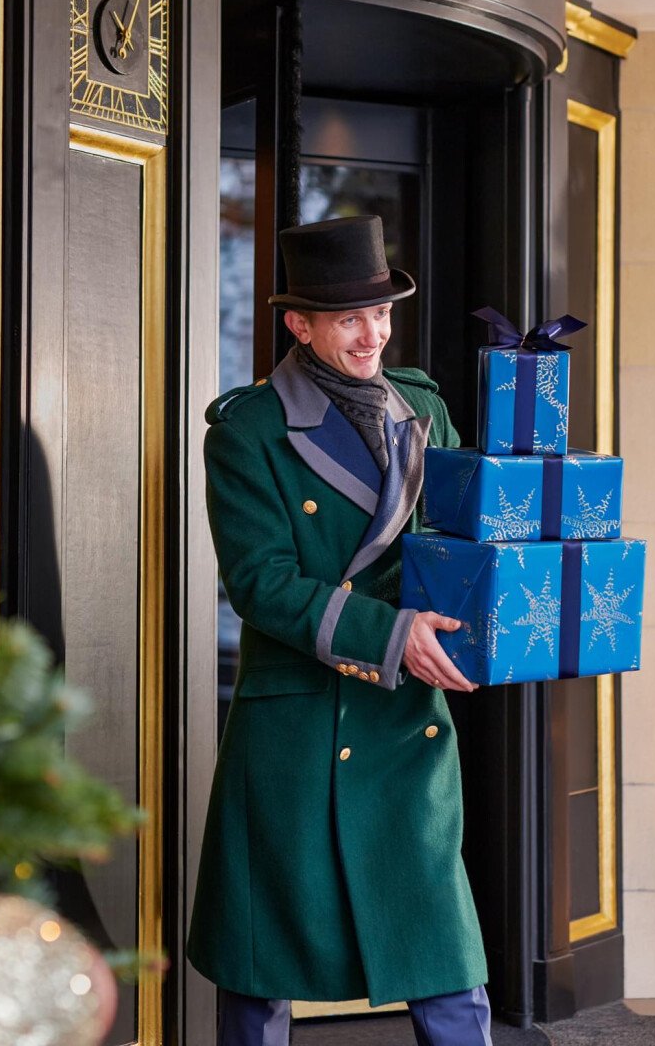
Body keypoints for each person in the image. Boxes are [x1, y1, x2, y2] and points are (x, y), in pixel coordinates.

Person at [187, 215, 491, 1046]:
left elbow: (457, 547)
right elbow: (261, 584)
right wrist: (391, 635)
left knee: (443, 953)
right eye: (351, 318)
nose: (373, 334)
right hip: (297, 725)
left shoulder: (421, 405)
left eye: (382, 313)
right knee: (262, 967)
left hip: (404, 719)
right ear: (300, 324)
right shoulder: (248, 431)